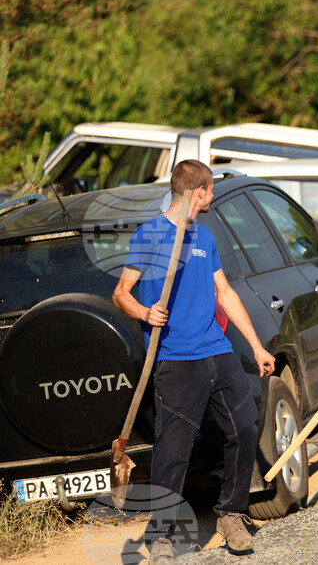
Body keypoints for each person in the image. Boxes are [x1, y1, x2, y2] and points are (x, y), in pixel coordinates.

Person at [113, 160, 275, 563]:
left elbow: (225, 293)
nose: (212, 198)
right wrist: (144, 313)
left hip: (215, 349)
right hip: (175, 358)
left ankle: (231, 514)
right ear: (197, 192)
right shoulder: (149, 235)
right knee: (175, 447)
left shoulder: (204, 236)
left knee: (245, 425)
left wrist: (256, 346)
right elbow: (120, 294)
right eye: (209, 191)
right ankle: (163, 536)